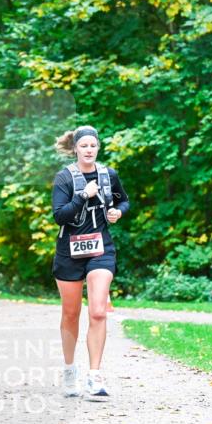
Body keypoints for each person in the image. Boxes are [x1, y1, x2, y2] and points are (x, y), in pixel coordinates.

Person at [52, 125, 129, 397]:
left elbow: (124, 201)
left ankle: (95, 376)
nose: (88, 150)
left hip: (100, 249)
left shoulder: (109, 175)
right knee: (71, 314)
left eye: (92, 146)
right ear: (75, 149)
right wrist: (84, 194)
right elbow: (60, 216)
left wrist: (117, 212)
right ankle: (70, 370)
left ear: (98, 148)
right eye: (83, 146)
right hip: (69, 251)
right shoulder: (65, 178)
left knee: (98, 311)